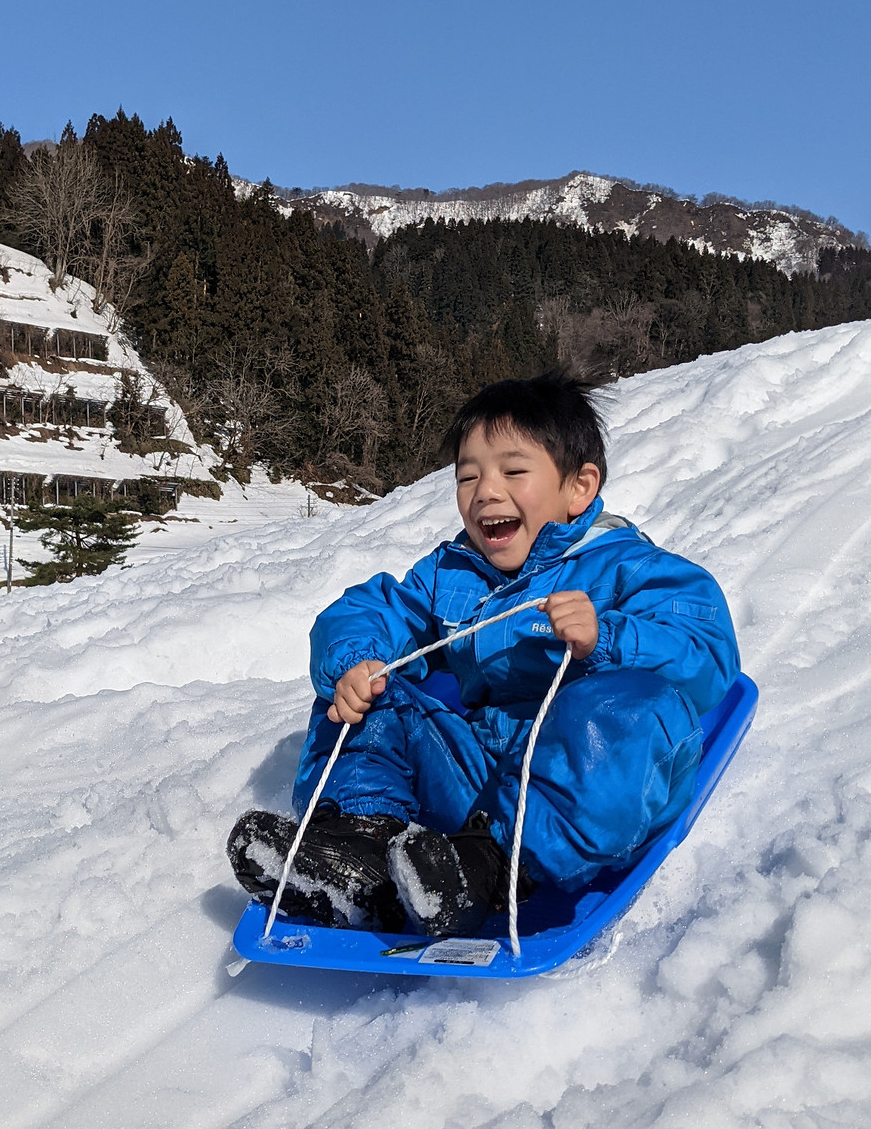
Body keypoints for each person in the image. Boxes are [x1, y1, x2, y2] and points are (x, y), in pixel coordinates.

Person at [228, 372, 740, 938]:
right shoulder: (457, 572)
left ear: (579, 488)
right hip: (481, 773)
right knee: (366, 697)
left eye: (513, 472)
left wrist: (608, 637)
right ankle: (362, 846)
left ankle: (487, 870)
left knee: (632, 710)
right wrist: (357, 660)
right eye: (467, 476)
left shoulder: (625, 566)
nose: (485, 491)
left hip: (586, 788)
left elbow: (708, 653)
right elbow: (373, 610)